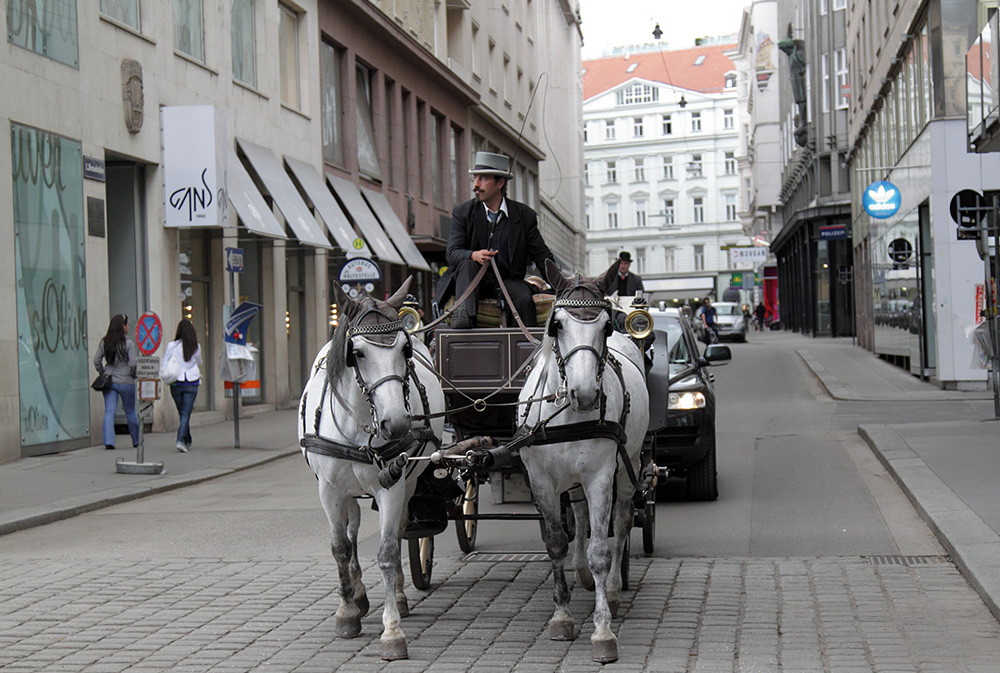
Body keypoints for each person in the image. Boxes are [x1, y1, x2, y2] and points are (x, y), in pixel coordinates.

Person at [444, 151, 555, 328]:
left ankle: (529, 348)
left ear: (500, 182)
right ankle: (463, 320)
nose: (475, 185)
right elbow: (452, 253)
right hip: (474, 282)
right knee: (466, 265)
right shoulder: (463, 213)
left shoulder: (524, 216)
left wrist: (563, 286)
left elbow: (541, 256)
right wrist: (474, 255)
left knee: (524, 299)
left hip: (509, 282)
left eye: (483, 179)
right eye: (475, 178)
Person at [93, 314, 139, 450]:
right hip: (126, 381)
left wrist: (103, 372)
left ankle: (109, 441)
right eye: (128, 324)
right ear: (123, 326)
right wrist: (132, 374)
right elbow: (132, 363)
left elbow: (96, 360)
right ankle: (136, 440)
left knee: (109, 411)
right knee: (130, 412)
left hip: (110, 380)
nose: (129, 327)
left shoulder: (105, 342)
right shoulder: (128, 343)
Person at [163, 319, 202, 452]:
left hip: (176, 383)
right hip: (191, 382)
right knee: (185, 414)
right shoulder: (195, 346)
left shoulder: (171, 346)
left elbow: (165, 364)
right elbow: (199, 361)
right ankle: (181, 440)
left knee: (183, 413)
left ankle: (187, 439)